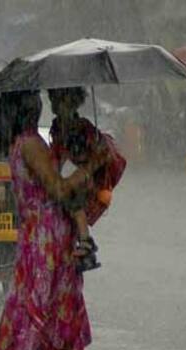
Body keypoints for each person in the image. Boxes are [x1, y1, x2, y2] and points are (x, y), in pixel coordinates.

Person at [0, 90, 108, 350]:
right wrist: (91, 166)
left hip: (53, 240)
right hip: (43, 243)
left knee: (60, 314)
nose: (41, 102)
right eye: (35, 99)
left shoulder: (27, 142)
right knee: (28, 312)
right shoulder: (30, 144)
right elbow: (59, 189)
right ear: (27, 107)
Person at [48, 87, 126, 272]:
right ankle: (82, 243)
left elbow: (87, 154)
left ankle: (85, 242)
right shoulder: (59, 125)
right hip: (69, 176)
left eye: (60, 101)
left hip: (78, 178)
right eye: (54, 100)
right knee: (73, 209)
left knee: (75, 207)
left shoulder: (78, 127)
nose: (56, 106)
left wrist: (80, 167)